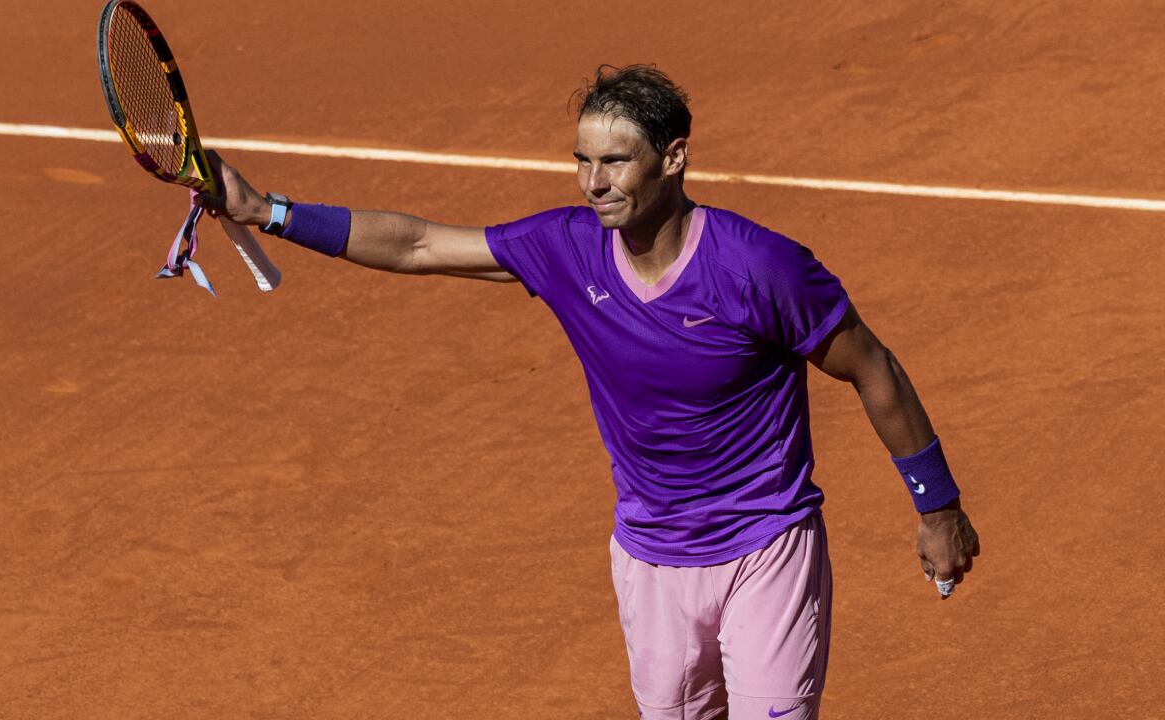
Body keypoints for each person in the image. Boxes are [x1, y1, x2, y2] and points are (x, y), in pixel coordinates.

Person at [199, 64, 980, 720]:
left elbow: (872, 365)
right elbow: (419, 245)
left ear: (673, 159)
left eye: (616, 162)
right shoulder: (568, 249)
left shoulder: (760, 268)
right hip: (649, 559)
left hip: (764, 549)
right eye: (581, 160)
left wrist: (935, 504)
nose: (593, 184)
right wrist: (268, 211)